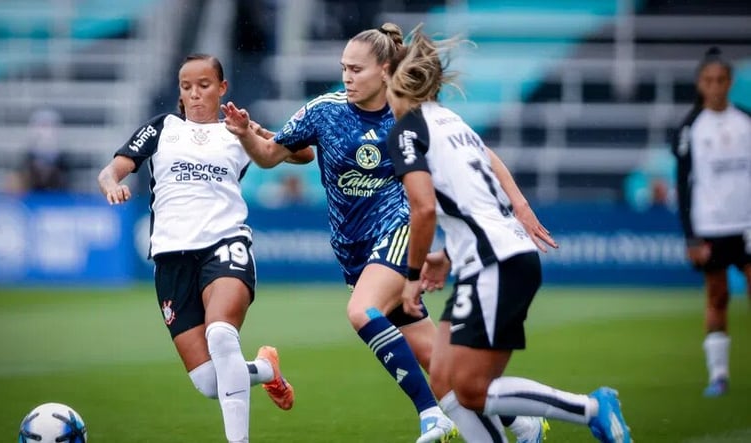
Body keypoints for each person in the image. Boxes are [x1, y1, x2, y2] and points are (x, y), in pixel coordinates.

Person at [223, 23, 547, 443]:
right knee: (440, 364)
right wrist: (247, 134)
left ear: (385, 70)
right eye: (343, 68)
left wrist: (519, 206)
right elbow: (270, 156)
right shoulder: (324, 110)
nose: (347, 77)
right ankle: (523, 424)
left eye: (356, 69)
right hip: (355, 253)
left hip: (398, 231)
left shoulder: (409, 117)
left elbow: (481, 154)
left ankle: (432, 416)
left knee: (361, 311)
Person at [384, 27, 633, 442]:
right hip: (494, 259)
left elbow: (423, 207)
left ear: (394, 82)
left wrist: (411, 278)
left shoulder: (408, 129)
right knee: (445, 382)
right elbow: (477, 199)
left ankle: (591, 408)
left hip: (495, 265)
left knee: (471, 389)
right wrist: (448, 255)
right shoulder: (451, 122)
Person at [96, 53, 313, 442]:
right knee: (211, 382)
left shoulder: (236, 130)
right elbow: (112, 169)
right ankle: (265, 369)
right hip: (171, 260)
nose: (195, 94)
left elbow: (301, 154)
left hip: (225, 244)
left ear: (222, 88)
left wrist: (250, 131)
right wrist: (112, 185)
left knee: (221, 335)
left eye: (204, 85)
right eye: (186, 87)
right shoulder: (162, 128)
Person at [671, 46, 751, 397]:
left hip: (747, 224)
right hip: (711, 226)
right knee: (717, 297)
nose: (715, 86)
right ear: (700, 83)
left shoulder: (746, 121)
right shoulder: (690, 129)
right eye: (708, 80)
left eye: (720, 80)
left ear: (730, 82)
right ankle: (718, 376)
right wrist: (690, 237)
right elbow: (683, 184)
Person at [6, 108, 71, 193]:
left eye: (50, 126)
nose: (46, 132)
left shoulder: (68, 163)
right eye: (42, 126)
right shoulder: (24, 163)